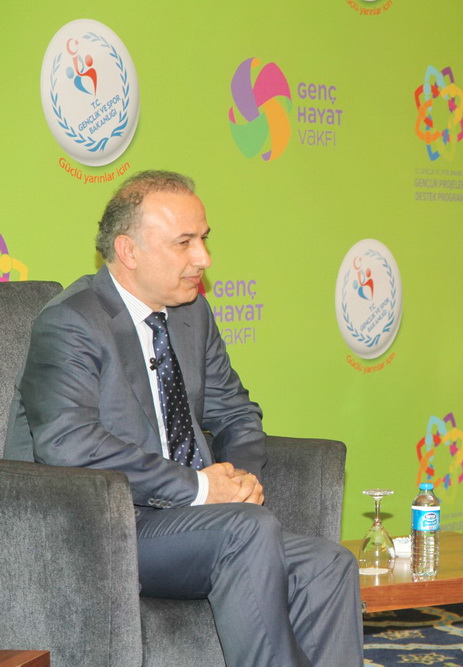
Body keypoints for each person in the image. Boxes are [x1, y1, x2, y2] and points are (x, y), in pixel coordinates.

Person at [5, 170, 363, 666]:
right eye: (185, 243)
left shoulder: (192, 315)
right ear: (129, 251)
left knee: (328, 562)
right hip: (101, 528)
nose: (204, 259)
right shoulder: (72, 321)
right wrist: (199, 488)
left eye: (204, 239)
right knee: (245, 531)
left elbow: (236, 411)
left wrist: (238, 479)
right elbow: (68, 443)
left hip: (188, 523)